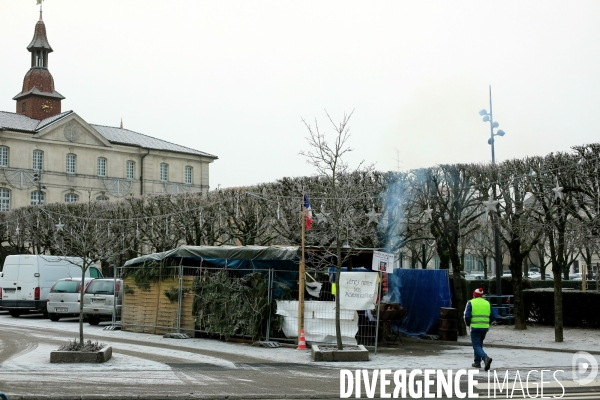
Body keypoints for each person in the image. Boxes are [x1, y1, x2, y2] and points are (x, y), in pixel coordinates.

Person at [464, 287, 494, 371]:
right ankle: (477, 362)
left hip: (475, 327)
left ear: (474, 295)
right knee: (479, 344)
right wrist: (487, 323)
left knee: (476, 345)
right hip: (485, 327)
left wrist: (468, 324)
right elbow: (493, 316)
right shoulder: (487, 303)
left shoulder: (471, 302)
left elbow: (467, 316)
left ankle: (485, 358)